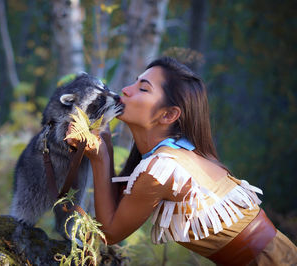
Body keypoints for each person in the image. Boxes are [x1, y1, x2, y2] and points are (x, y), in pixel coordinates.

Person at [66, 56, 297, 265]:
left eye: (143, 89)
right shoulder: (180, 153)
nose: (125, 90)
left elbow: (109, 233)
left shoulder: (162, 170)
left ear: (168, 115)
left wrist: (100, 158)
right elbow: (120, 206)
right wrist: (103, 142)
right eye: (135, 82)